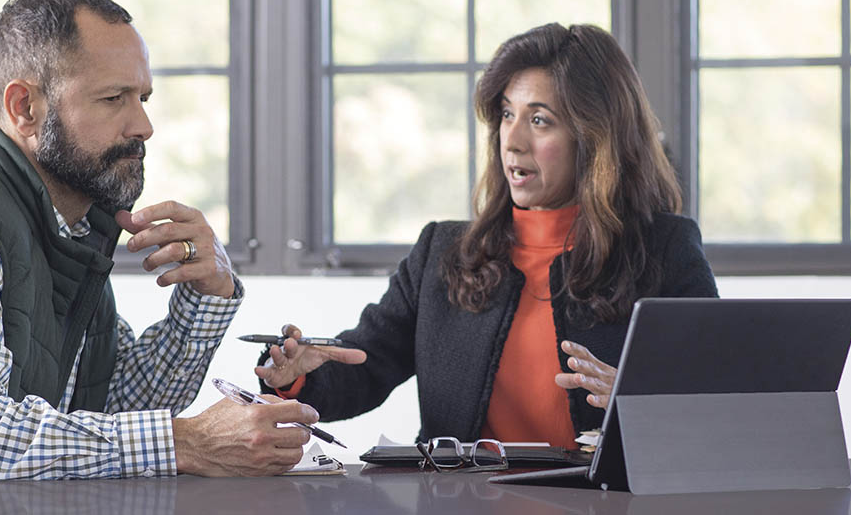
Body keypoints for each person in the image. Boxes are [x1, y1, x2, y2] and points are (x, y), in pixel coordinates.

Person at [0, 0, 317, 494]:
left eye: (141, 98)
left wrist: (205, 299)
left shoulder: (68, 225)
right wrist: (185, 442)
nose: (144, 125)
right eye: (113, 98)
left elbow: (115, 404)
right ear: (24, 107)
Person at [255, 23, 718, 448]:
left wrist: (635, 397)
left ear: (595, 139)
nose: (512, 140)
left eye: (539, 120)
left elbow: (719, 399)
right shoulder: (443, 251)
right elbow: (364, 365)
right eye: (506, 114)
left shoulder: (665, 251)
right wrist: (295, 376)